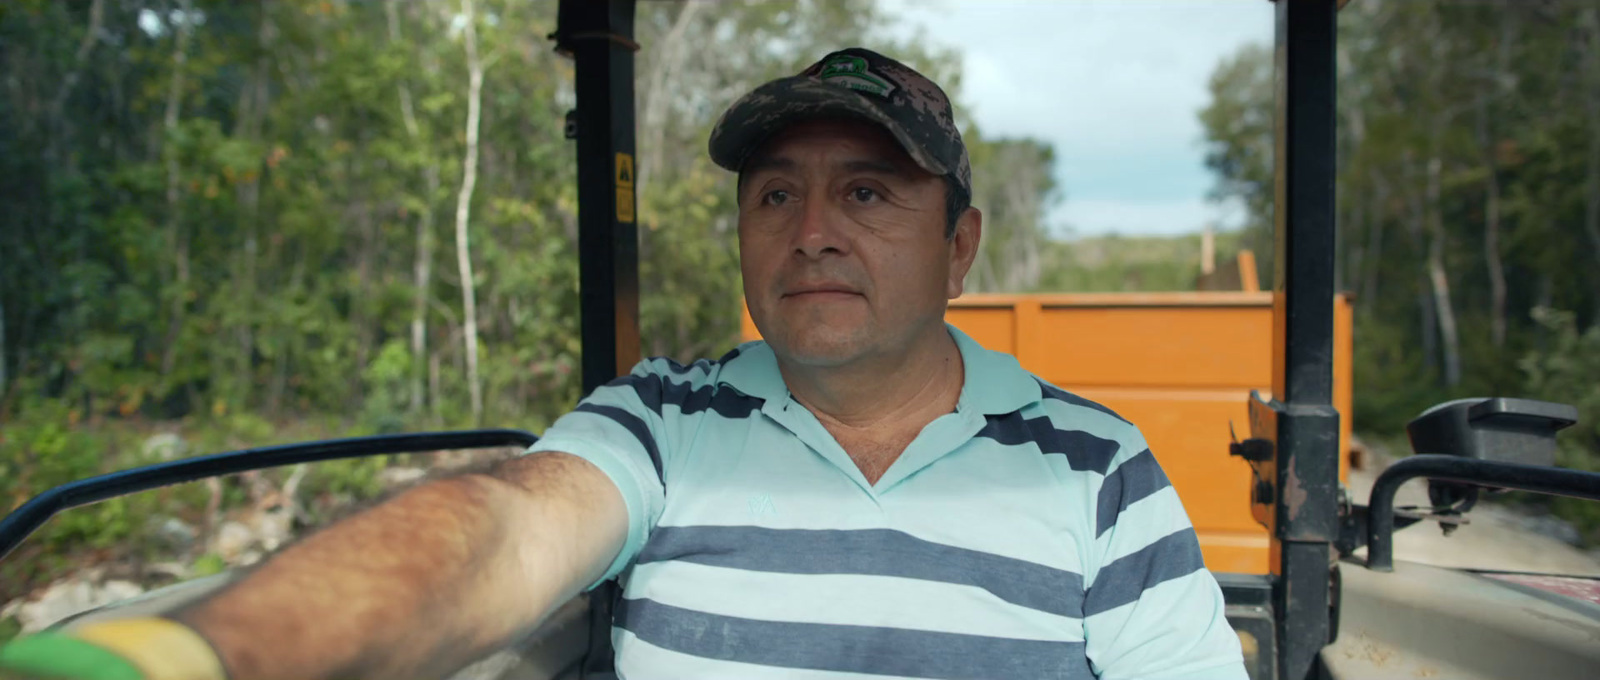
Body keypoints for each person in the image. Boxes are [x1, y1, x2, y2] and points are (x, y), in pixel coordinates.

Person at [0, 47, 1246, 680]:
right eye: (774, 195)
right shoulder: (660, 419)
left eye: (866, 190)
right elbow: (500, 532)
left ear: (960, 245)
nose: (810, 228)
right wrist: (196, 650)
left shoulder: (1095, 466)